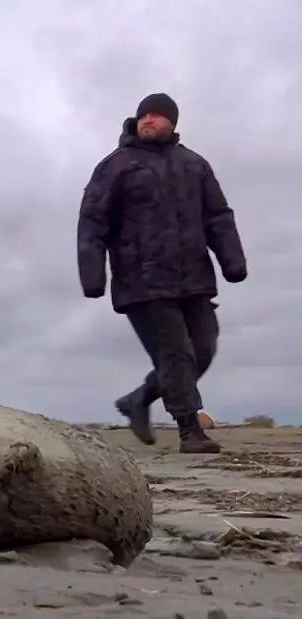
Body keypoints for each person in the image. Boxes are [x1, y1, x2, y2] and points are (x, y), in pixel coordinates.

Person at [78, 92, 247, 454]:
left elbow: (218, 216)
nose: (148, 121)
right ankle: (190, 430)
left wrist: (232, 261)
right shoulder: (116, 166)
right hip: (142, 280)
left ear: (172, 122)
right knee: (176, 354)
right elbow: (93, 222)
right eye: (144, 116)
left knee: (203, 349)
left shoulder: (195, 165)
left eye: (156, 116)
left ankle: (139, 399)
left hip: (195, 279)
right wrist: (93, 275)